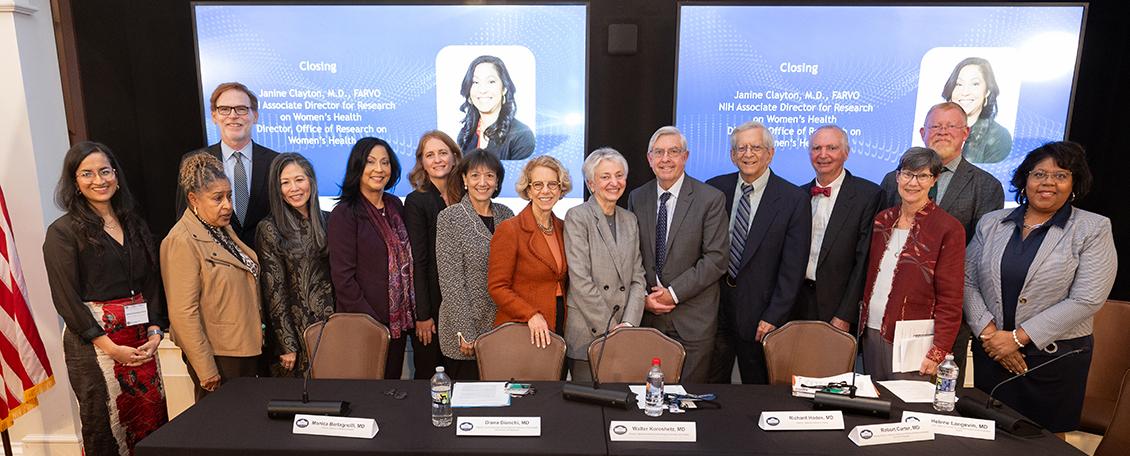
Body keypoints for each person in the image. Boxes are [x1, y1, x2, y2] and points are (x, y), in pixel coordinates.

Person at [964, 141, 1117, 435]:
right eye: (1039, 174)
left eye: (1060, 175)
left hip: (1053, 360)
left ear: (1074, 183)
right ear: (1025, 179)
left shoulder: (1093, 228)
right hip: (992, 352)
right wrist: (991, 336)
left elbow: (1087, 299)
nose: (1048, 182)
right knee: (985, 440)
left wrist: (1017, 339)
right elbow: (966, 280)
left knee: (1045, 443)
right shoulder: (991, 222)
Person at [43, 141, 168, 455]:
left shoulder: (134, 223)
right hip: (95, 347)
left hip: (141, 342)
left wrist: (155, 332)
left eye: (105, 171)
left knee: (151, 421)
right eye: (87, 174)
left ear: (116, 176)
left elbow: (151, 283)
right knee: (104, 428)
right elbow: (66, 299)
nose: (98, 180)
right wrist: (111, 348)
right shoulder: (62, 232)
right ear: (75, 182)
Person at [881, 101, 1003, 385]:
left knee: (936, 397)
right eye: (936, 126)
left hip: (946, 315)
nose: (943, 132)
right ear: (922, 132)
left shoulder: (986, 186)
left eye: (951, 126)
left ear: (966, 133)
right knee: (886, 391)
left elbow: (978, 257)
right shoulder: (892, 181)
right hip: (894, 312)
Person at [706, 121, 811, 384]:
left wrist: (773, 315)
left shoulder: (793, 199)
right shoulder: (714, 189)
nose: (748, 154)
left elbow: (793, 268)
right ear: (732, 155)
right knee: (710, 383)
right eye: (741, 148)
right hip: (715, 307)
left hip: (760, 314)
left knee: (756, 387)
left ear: (770, 153)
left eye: (756, 147)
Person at [627, 126, 728, 384]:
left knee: (687, 398)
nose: (666, 159)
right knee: (647, 396)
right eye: (658, 152)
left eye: (673, 151)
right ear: (649, 159)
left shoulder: (710, 199)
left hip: (693, 321)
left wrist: (672, 293)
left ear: (686, 156)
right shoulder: (637, 197)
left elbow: (716, 259)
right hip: (649, 318)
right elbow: (632, 256)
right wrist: (644, 299)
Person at [162, 151, 263, 399]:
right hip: (220, 357)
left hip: (244, 349)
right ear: (193, 199)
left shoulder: (222, 229)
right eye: (218, 198)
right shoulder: (181, 241)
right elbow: (183, 313)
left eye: (229, 196)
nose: (227, 205)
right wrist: (206, 369)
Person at [861, 147, 965, 381]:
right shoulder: (882, 220)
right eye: (907, 174)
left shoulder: (948, 228)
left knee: (907, 402)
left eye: (922, 176)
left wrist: (939, 350)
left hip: (914, 341)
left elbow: (951, 298)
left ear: (934, 180)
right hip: (870, 331)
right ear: (898, 177)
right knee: (873, 399)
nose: (913, 183)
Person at [328, 137, 415, 379]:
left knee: (391, 387)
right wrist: (373, 324)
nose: (379, 169)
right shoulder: (344, 214)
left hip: (397, 323)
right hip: (364, 324)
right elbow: (343, 279)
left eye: (385, 162)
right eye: (370, 162)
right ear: (358, 166)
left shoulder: (395, 205)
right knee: (366, 391)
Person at [563, 148, 647, 383]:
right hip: (588, 331)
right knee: (585, 402)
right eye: (605, 177)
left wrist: (628, 324)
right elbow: (580, 280)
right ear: (591, 183)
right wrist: (610, 328)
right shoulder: (577, 217)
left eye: (619, 175)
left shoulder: (630, 219)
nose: (614, 182)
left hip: (624, 332)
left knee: (620, 399)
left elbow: (638, 277)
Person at [795, 126, 884, 331]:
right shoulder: (798, 195)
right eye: (816, 148)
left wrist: (845, 314)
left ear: (846, 153)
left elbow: (864, 262)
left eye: (832, 148)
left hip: (838, 309)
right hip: (797, 306)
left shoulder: (868, 195)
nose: (823, 155)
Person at [436, 150, 515, 380]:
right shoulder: (450, 218)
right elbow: (451, 281)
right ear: (464, 179)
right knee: (467, 396)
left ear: (497, 181)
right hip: (465, 329)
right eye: (475, 175)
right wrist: (465, 332)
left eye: (489, 176)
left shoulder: (507, 215)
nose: (483, 182)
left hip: (500, 326)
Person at [255, 153, 334, 377]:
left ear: (311, 181)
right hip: (297, 334)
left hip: (332, 328)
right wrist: (287, 344)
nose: (294, 188)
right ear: (277, 189)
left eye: (299, 179)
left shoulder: (329, 220)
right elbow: (274, 291)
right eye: (285, 183)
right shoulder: (269, 228)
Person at [176, 82, 279, 248]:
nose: (233, 115)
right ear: (214, 116)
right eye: (224, 109)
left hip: (269, 259)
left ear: (255, 116)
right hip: (215, 259)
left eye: (241, 109)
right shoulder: (195, 162)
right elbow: (184, 221)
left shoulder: (276, 162)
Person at [489, 155, 571, 350]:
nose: (546, 191)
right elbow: (497, 287)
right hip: (523, 327)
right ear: (528, 190)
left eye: (552, 184)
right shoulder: (510, 229)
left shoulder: (564, 228)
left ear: (560, 189)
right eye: (538, 185)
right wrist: (531, 314)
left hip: (559, 323)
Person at [404, 131, 461, 379]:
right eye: (430, 155)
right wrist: (423, 315)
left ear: (454, 157)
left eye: (443, 153)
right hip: (432, 305)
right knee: (430, 376)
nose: (437, 160)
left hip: (461, 304)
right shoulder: (416, 201)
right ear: (422, 162)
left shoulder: (467, 198)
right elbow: (418, 261)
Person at [456, 55, 535, 160]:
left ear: (504, 89)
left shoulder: (521, 135)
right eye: (475, 82)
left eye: (491, 81)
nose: (482, 90)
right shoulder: (465, 135)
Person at [942, 57, 1012, 164]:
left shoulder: (999, 136)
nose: (965, 92)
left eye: (975, 84)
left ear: (987, 91)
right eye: (959, 84)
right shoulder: (936, 130)